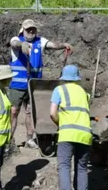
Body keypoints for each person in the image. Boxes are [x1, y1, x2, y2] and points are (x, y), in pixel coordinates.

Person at [9, 19, 73, 150]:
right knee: (13, 111)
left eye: (33, 29)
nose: (31, 32)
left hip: (34, 85)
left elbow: (53, 45)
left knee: (30, 113)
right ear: (23, 30)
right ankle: (9, 140)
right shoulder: (17, 39)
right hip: (17, 85)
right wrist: (22, 45)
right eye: (28, 30)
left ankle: (29, 139)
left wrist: (64, 45)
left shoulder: (40, 41)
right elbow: (14, 43)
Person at [49, 65, 92, 190]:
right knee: (82, 167)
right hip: (85, 134)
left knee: (64, 165)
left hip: (67, 133)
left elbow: (52, 113)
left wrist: (59, 123)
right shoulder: (85, 93)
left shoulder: (59, 90)